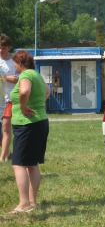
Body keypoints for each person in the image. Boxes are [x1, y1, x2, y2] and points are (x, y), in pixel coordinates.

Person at [8, 50, 50, 214]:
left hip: (27, 124)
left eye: (15, 64)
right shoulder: (37, 75)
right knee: (32, 164)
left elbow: (24, 91)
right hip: (40, 121)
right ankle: (32, 202)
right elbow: (47, 92)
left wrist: (24, 106)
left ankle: (23, 203)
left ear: (20, 63)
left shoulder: (25, 76)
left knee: (18, 164)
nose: (14, 67)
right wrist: (38, 104)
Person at [0, 34, 18, 162]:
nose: (1, 50)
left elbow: (20, 78)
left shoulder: (15, 61)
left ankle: (4, 156)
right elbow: (6, 78)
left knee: (6, 127)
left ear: (9, 48)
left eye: (3, 48)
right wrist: (6, 78)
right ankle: (8, 152)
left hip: (9, 99)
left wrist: (13, 79)